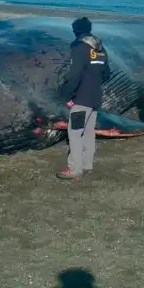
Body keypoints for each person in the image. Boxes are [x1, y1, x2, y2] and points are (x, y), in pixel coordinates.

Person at [57, 17, 111, 181]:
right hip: (95, 98)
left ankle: (74, 169)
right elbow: (106, 73)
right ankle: (87, 165)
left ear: (76, 31)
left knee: (74, 133)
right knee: (88, 132)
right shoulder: (100, 49)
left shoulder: (79, 48)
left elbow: (75, 75)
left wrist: (68, 96)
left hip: (81, 100)